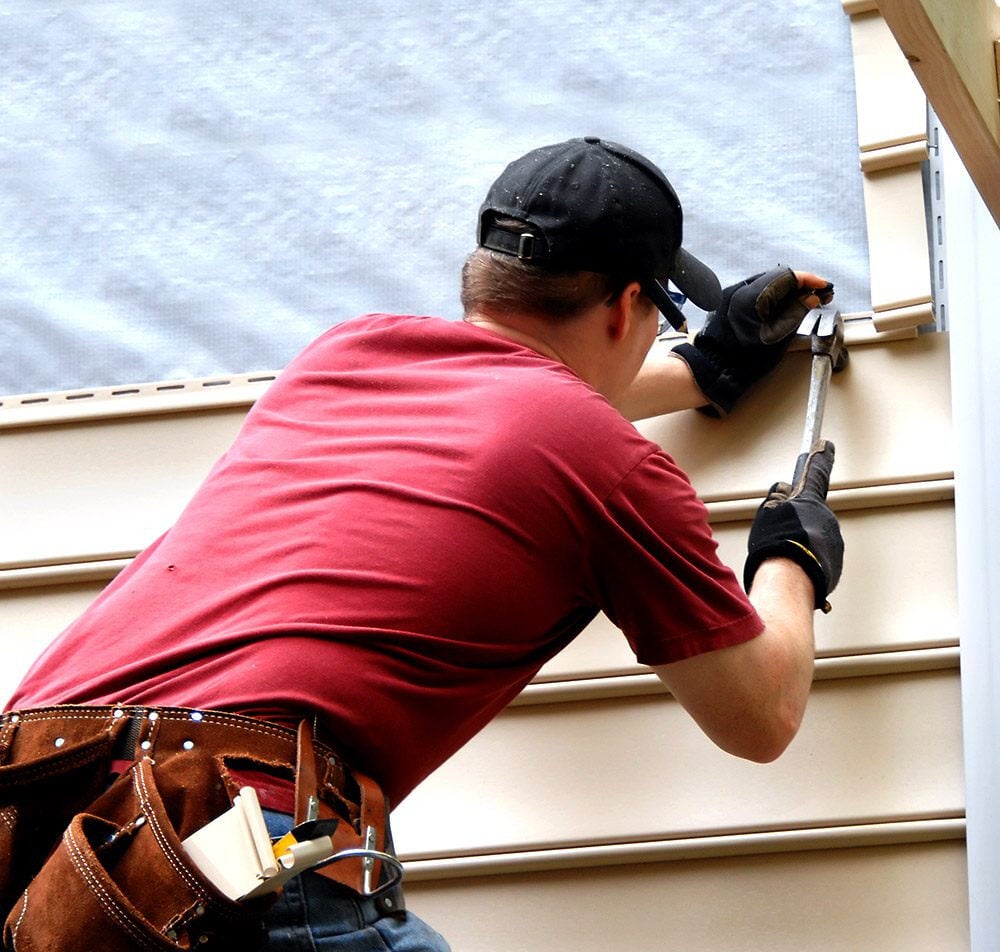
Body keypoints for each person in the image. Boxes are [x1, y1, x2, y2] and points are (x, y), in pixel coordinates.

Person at [1, 136, 843, 950]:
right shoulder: (608, 464)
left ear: (487, 277)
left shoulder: (343, 358)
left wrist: (705, 369)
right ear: (629, 307)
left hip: (49, 826)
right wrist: (789, 558)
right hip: (223, 841)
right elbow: (760, 716)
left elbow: (509, 415)